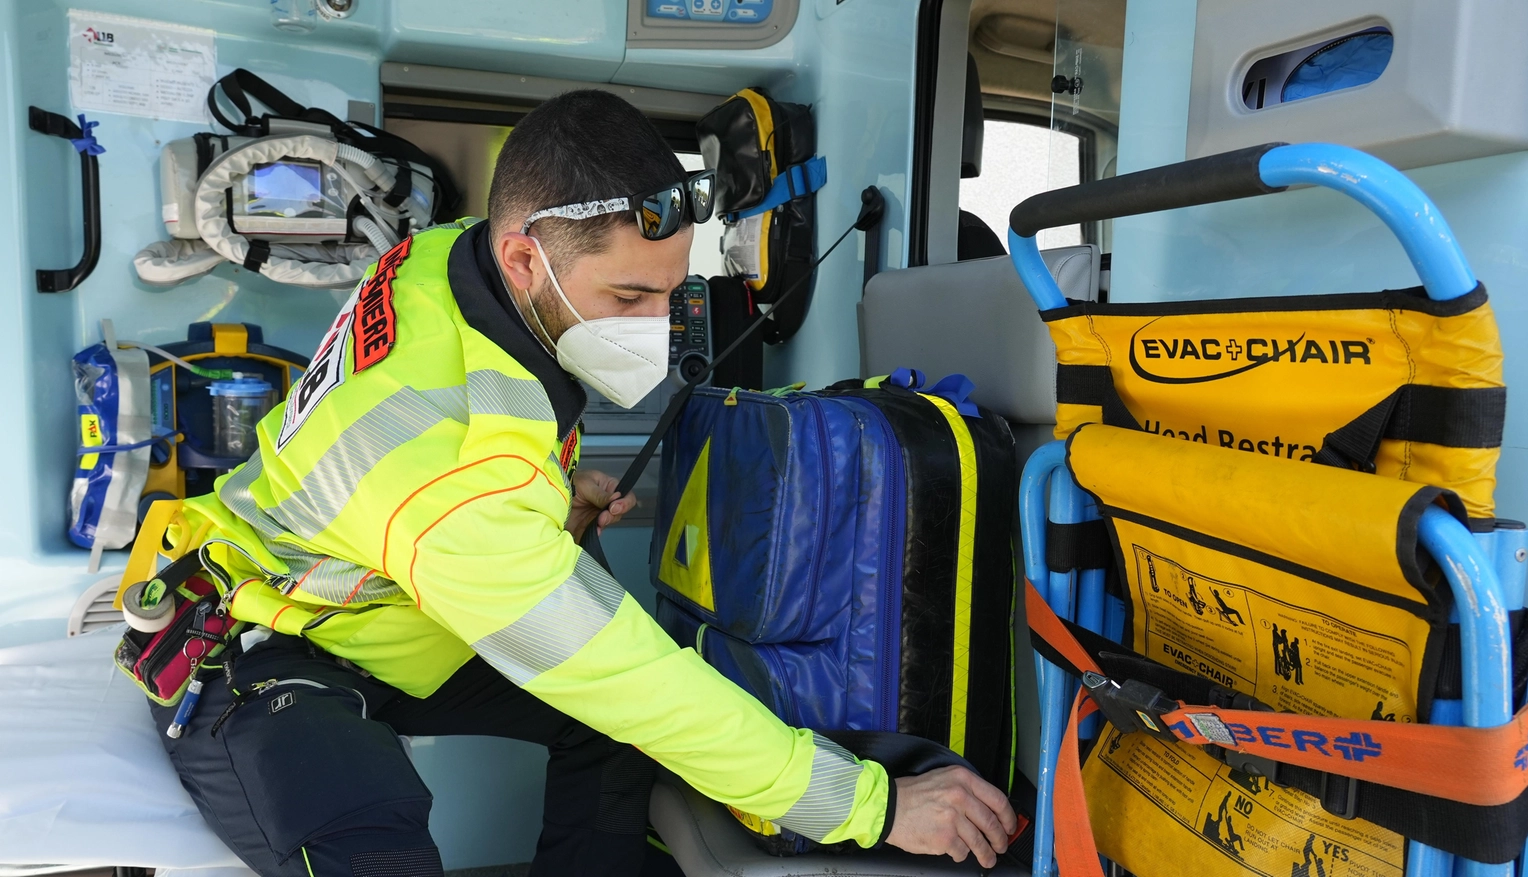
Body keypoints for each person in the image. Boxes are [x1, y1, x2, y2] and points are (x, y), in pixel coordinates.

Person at [147, 89, 1016, 877]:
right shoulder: (460, 479)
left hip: (390, 606)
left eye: (671, 293)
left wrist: (548, 505)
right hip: (257, 636)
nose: (655, 326)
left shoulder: (447, 257)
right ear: (525, 256)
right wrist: (876, 807)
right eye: (629, 295)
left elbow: (447, 477)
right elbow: (628, 674)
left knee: (622, 738)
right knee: (378, 849)